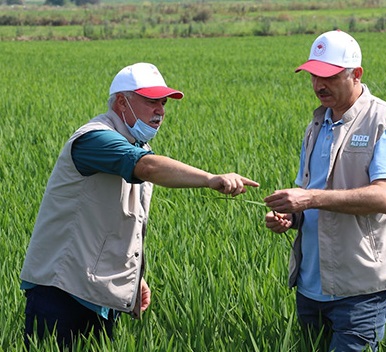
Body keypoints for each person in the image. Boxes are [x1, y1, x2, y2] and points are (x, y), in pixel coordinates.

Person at [20, 62, 259, 349]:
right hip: (61, 290)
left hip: (98, 290)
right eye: (151, 101)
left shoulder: (137, 145)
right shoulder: (93, 139)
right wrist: (210, 179)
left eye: (163, 102)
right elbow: (146, 168)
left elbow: (123, 220)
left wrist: (134, 277)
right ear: (122, 102)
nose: (160, 110)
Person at [264, 30, 386, 351]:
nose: (319, 85)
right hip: (310, 285)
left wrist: (309, 198)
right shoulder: (316, 125)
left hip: (360, 288)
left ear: (356, 74)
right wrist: (290, 217)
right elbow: (307, 193)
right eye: (313, 75)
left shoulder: (384, 122)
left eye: (329, 76)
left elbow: (385, 197)